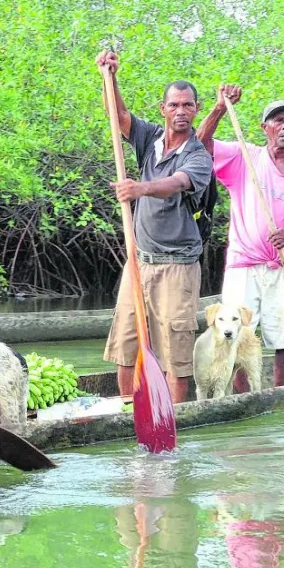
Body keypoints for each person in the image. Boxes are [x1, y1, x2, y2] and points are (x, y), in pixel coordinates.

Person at [96, 51, 214, 404]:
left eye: (188, 105)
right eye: (174, 105)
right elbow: (118, 116)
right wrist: (110, 76)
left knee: (175, 353)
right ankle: (127, 414)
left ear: (196, 109)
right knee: (126, 345)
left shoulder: (199, 156)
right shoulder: (149, 138)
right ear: (163, 108)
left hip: (177, 265)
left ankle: (174, 417)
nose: (181, 111)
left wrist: (140, 188)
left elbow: (177, 183)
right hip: (139, 260)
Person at [196, 85, 284, 389]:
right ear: (265, 128)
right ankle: (244, 397)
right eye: (279, 121)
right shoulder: (244, 156)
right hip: (243, 263)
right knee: (235, 335)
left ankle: (279, 393)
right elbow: (201, 143)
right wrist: (220, 108)